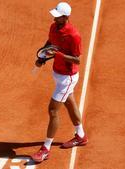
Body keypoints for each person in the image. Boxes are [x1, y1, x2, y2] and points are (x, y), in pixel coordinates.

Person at [31, 2, 88, 163]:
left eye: (58, 17)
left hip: (68, 77)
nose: (54, 19)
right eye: (54, 16)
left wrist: (59, 54)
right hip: (57, 73)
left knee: (53, 110)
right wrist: (42, 56)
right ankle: (81, 136)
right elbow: (49, 42)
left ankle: (45, 149)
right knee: (70, 103)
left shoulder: (74, 35)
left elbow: (77, 59)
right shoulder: (53, 27)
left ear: (66, 17)